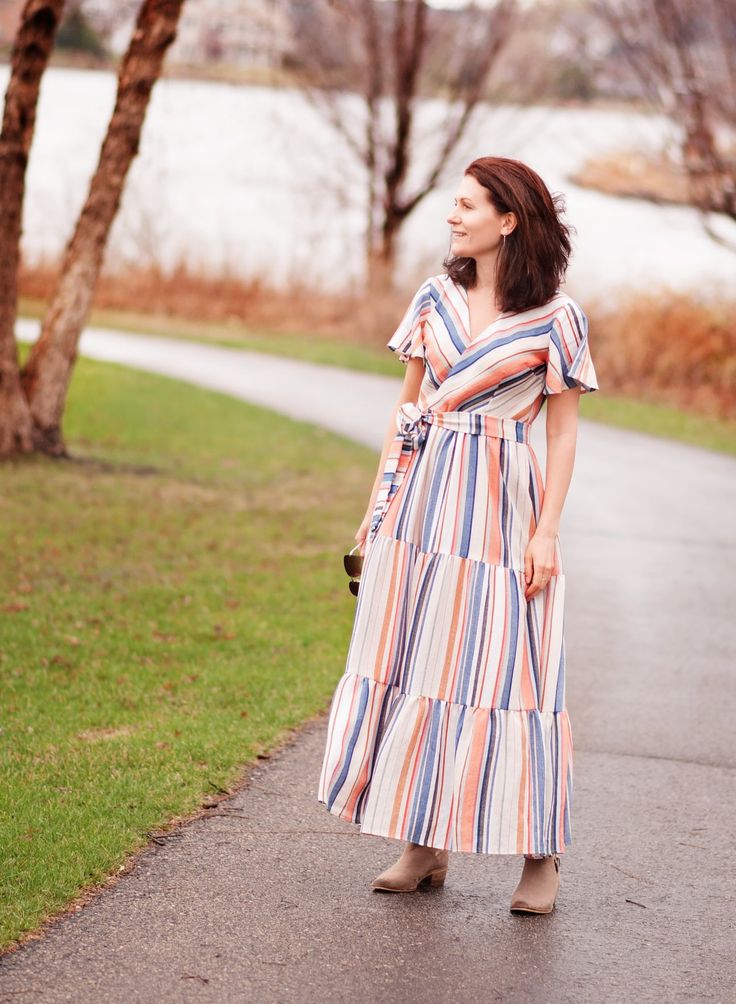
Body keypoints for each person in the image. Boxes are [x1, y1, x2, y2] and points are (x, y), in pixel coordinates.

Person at [316, 155, 599, 915]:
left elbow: (563, 435)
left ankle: (541, 855)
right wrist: (375, 515)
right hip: (422, 506)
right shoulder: (434, 298)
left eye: (468, 204)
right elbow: (405, 416)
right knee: (420, 665)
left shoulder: (556, 318)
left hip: (504, 510)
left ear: (509, 220)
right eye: (455, 203)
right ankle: (424, 841)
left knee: (513, 674)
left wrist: (547, 531)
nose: (453, 214)